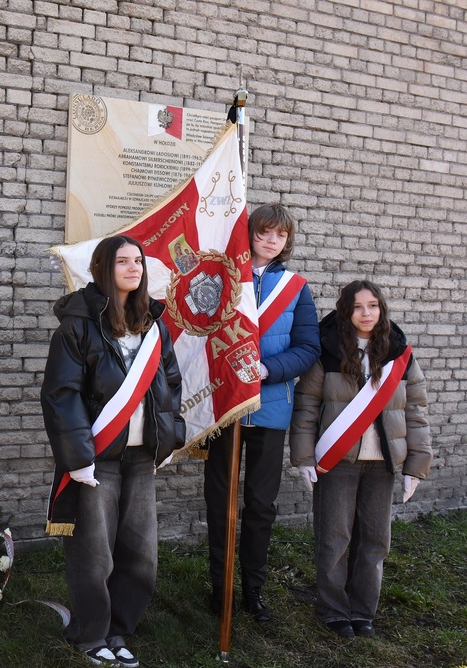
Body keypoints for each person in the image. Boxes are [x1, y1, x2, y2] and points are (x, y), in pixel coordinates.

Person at [42, 235, 185, 667]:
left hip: (142, 459)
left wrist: (170, 437)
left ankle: (118, 629)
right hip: (96, 460)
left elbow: (171, 387)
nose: (133, 267)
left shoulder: (154, 324)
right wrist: (78, 457)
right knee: (94, 555)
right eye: (122, 261)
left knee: (141, 554)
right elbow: (61, 395)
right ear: (103, 268)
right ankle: (90, 636)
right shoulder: (78, 325)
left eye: (138, 261)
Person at [290, 280, 432, 638]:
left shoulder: (400, 353)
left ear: (381, 309)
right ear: (345, 311)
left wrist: (416, 464)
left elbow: (415, 410)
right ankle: (334, 609)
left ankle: (363, 610)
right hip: (337, 462)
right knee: (335, 538)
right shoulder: (328, 349)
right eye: (357, 307)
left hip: (381, 464)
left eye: (372, 306)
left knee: (374, 541)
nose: (366, 313)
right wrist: (305, 457)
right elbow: (306, 406)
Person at [203, 203, 320, 623]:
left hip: (271, 410)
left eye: (281, 236)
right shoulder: (224, 277)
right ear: (250, 233)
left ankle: (252, 590)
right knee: (221, 503)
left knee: (259, 504)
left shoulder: (296, 288)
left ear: (287, 242)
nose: (272, 241)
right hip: (226, 407)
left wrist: (270, 369)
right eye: (265, 232)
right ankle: (221, 588)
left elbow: (308, 347)